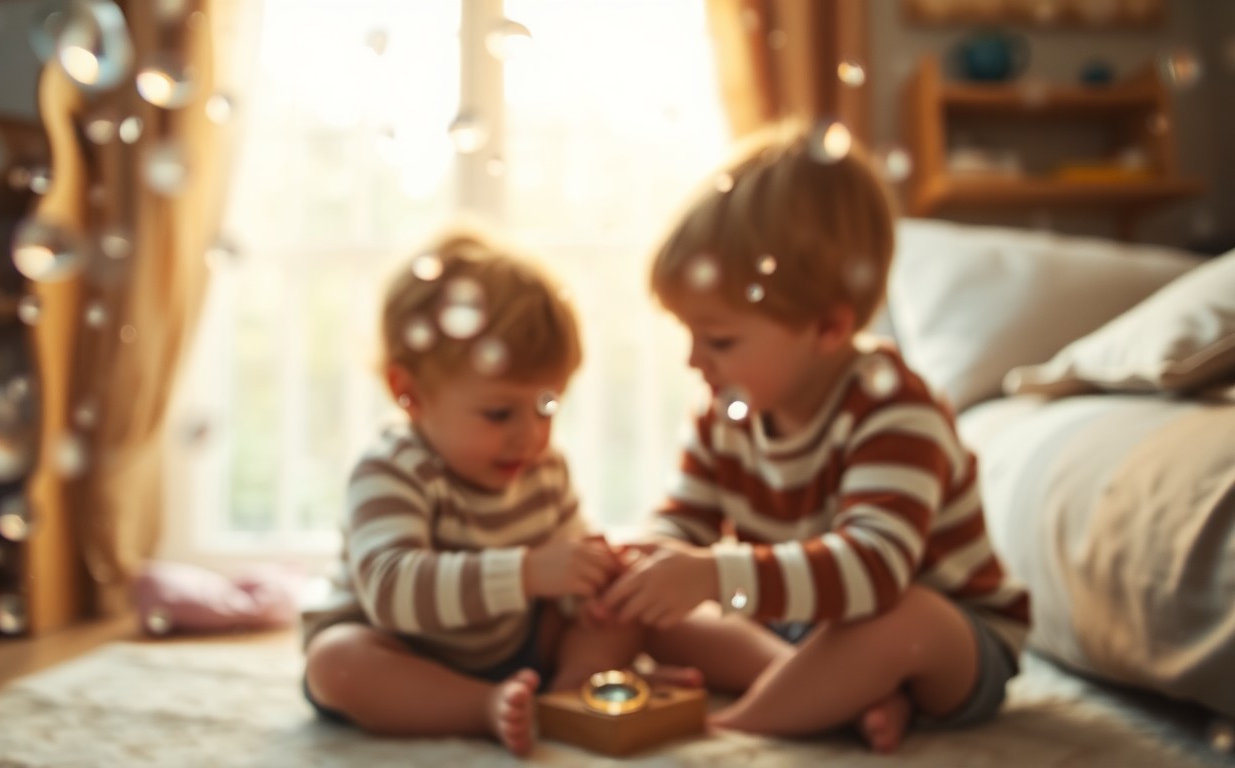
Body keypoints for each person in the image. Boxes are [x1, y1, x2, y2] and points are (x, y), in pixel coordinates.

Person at [599, 121, 1031, 754]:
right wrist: (649, 563)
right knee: (650, 610)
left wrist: (714, 576)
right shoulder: (725, 408)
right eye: (689, 334)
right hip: (804, 625)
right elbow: (684, 519)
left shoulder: (894, 408)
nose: (695, 360)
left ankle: (744, 723)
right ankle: (836, 695)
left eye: (719, 340)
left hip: (944, 640)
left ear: (829, 326)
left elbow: (875, 569)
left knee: (900, 619)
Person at [300, 227, 661, 757]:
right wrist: (528, 571)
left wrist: (590, 581)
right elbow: (390, 590)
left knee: (624, 612)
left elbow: (569, 570)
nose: (531, 435)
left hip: (517, 647)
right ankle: (483, 706)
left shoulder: (543, 467)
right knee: (337, 662)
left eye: (546, 407)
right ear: (409, 394)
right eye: (499, 413)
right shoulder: (391, 470)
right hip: (404, 651)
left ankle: (568, 695)